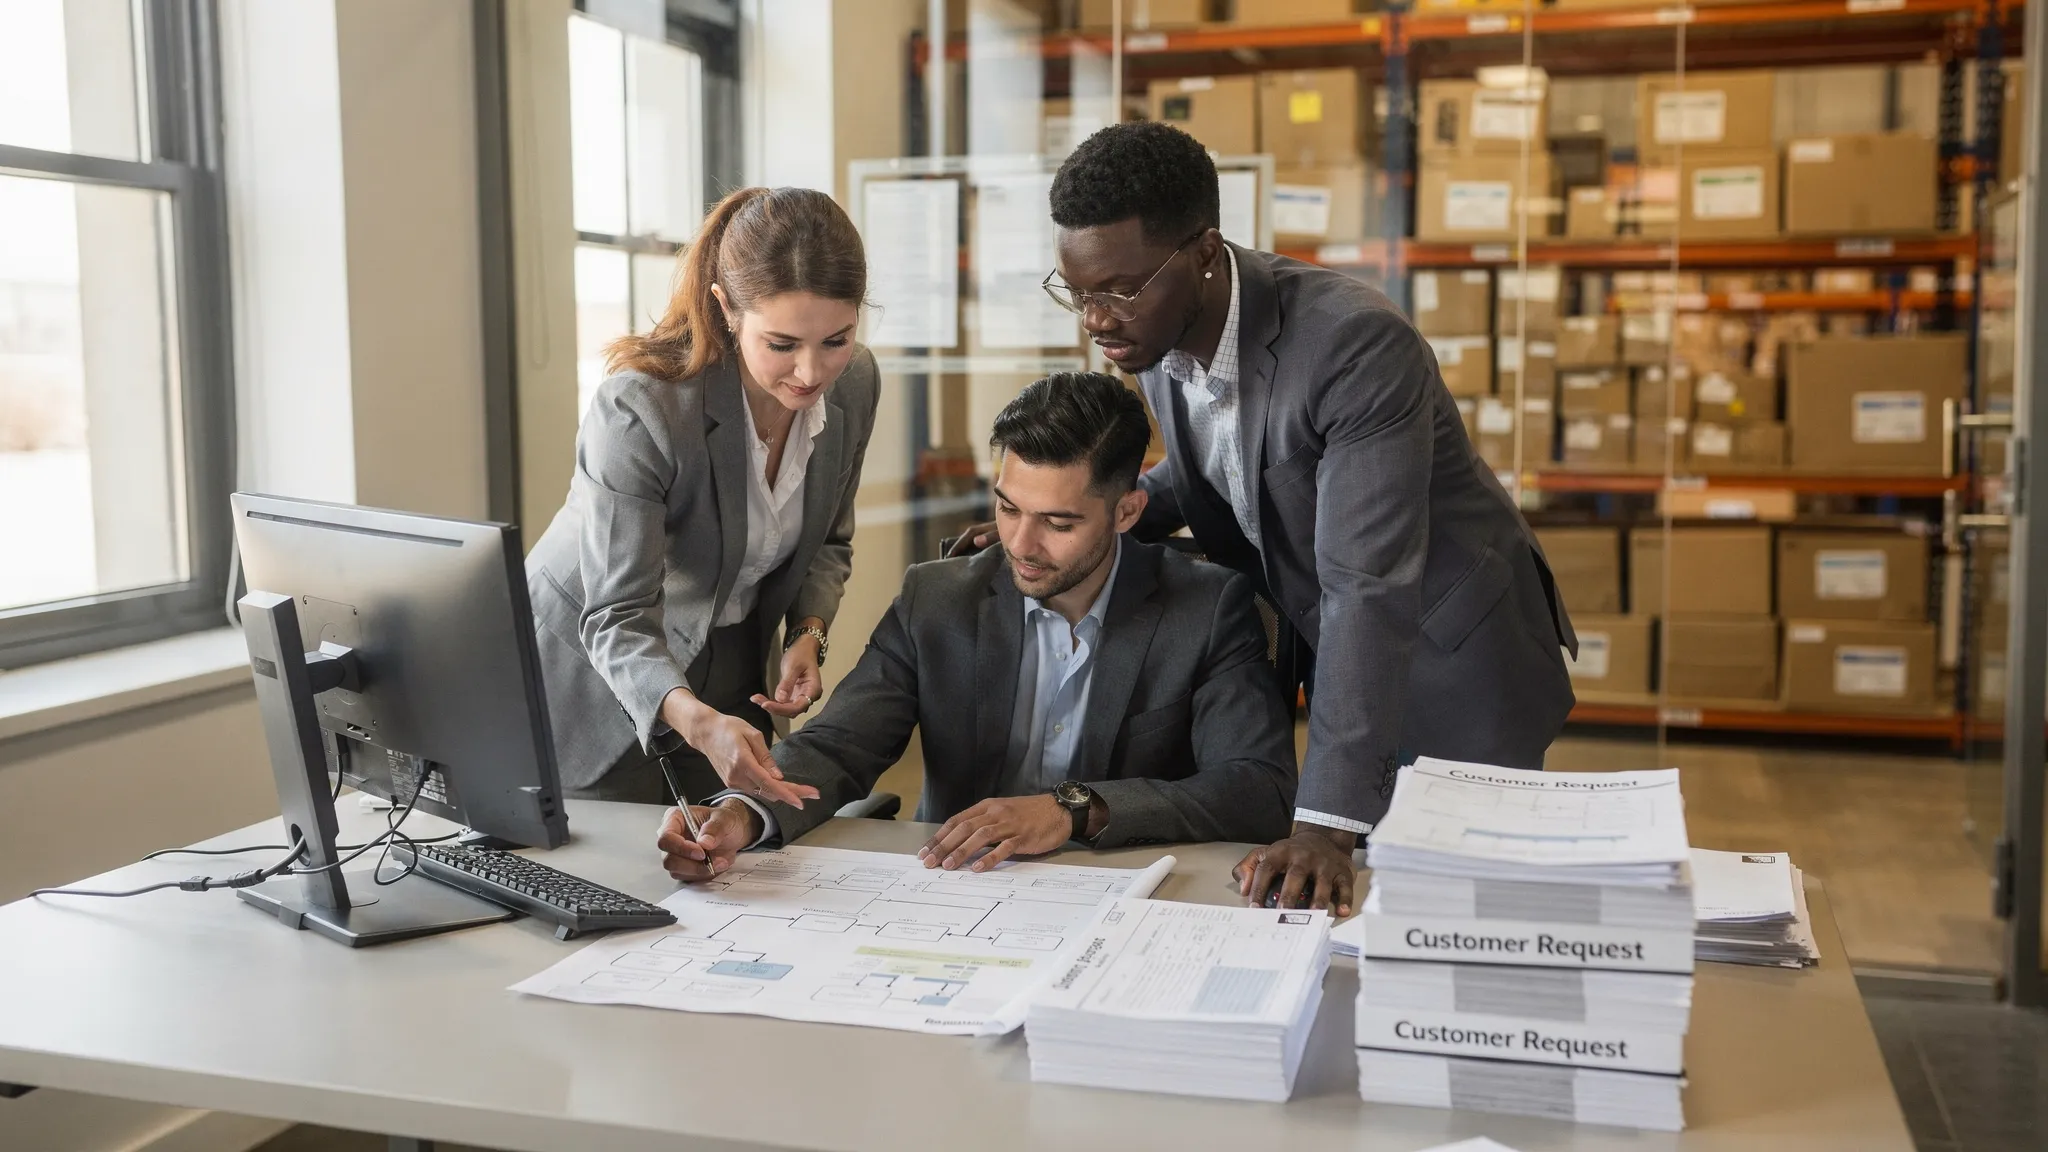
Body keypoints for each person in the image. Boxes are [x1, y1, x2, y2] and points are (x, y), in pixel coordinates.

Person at [954, 122, 1577, 914]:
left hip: (1452, 654)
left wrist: (1323, 824)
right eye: (1077, 292)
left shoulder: (1354, 346)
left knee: (1460, 911)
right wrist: (1083, 520)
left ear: (1204, 252)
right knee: (1355, 918)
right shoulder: (1163, 330)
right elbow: (1220, 467)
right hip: (1350, 647)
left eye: (1117, 290)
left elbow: (1367, 584)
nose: (1095, 319)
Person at [655, 372, 1298, 881]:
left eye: (1059, 523)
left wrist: (1072, 810)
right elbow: (839, 745)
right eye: (1008, 507)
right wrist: (740, 814)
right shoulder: (938, 599)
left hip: (1124, 889)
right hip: (960, 891)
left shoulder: (1207, 608)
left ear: (1128, 511)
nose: (1021, 543)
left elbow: (1255, 787)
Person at [527, 186, 877, 813]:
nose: (811, 372)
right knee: (603, 875)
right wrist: (695, 718)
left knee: (737, 863)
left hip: (735, 661)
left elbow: (829, 538)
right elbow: (615, 615)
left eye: (836, 339)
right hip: (596, 669)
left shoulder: (856, 385)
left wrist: (808, 632)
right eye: (782, 344)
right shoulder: (643, 409)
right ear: (726, 309)